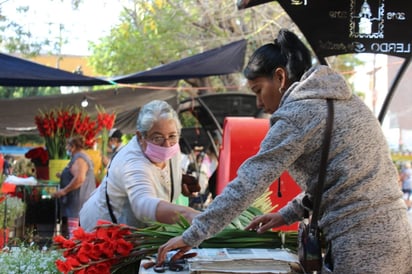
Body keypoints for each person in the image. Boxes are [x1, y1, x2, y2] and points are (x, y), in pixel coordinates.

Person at [157, 29, 412, 273]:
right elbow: (342, 182)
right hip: (395, 234)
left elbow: (248, 183)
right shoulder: (346, 102)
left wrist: (193, 235)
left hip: (362, 245)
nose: (258, 102)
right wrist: (286, 214)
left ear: (280, 78)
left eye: (258, 90)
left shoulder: (298, 113)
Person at [79, 100, 200, 231]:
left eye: (172, 136)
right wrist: (189, 214)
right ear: (140, 136)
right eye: (157, 138)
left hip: (140, 234)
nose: (167, 145)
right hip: (103, 232)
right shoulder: (131, 161)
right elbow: (143, 204)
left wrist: (177, 181)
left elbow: (158, 173)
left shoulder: (173, 148)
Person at [53, 135, 96, 238]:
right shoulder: (83, 156)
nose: (66, 149)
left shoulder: (79, 158)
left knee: (75, 235)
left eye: (67, 146)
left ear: (72, 146)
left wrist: (64, 191)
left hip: (77, 203)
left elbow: (80, 178)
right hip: (80, 202)